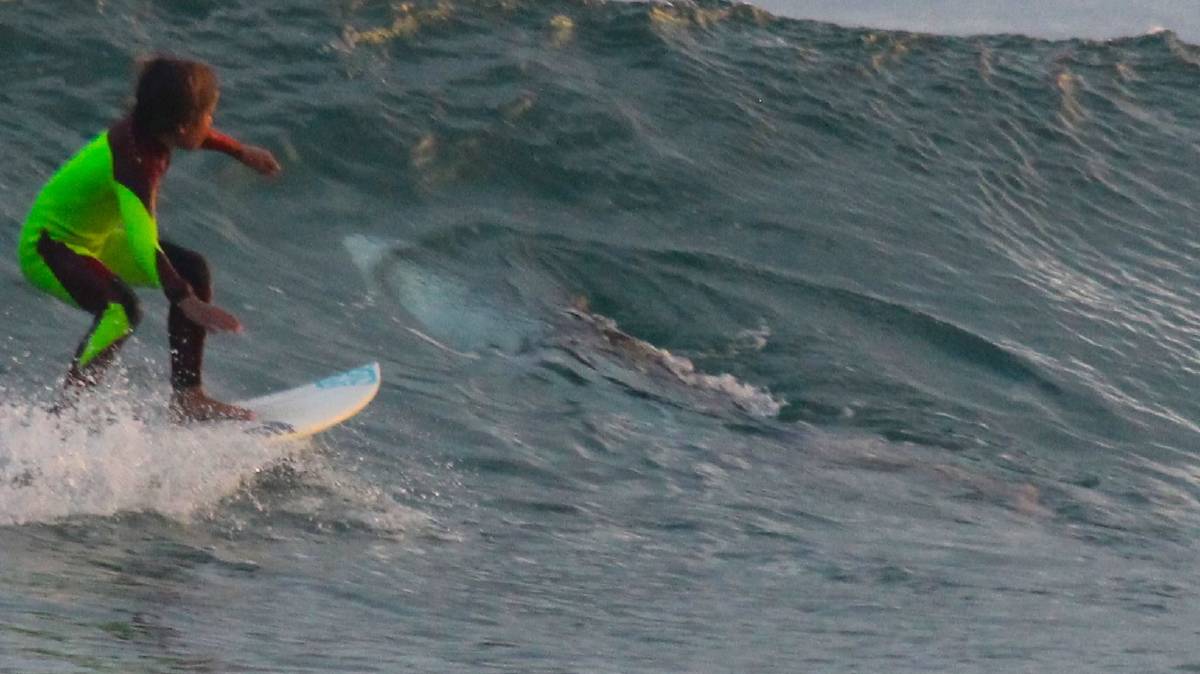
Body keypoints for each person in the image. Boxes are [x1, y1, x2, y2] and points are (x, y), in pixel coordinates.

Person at [17, 56, 281, 421]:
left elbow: (194, 135)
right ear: (181, 126)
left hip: (94, 240)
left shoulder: (148, 130)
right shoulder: (134, 163)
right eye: (208, 115)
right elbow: (144, 240)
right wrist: (185, 300)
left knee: (191, 268)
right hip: (48, 247)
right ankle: (64, 416)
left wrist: (239, 151)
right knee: (121, 310)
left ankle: (188, 398)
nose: (211, 123)